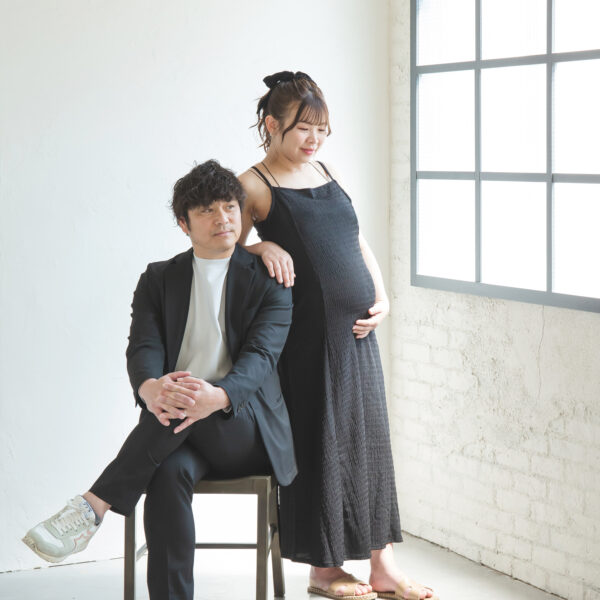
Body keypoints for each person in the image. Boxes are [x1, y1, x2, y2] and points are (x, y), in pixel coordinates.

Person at [22, 159, 296, 600]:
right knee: (166, 474)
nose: (223, 218)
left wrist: (217, 395)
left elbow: (261, 358)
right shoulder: (159, 278)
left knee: (182, 406)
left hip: (244, 427)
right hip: (174, 430)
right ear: (184, 224)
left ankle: (94, 505)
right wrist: (149, 388)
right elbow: (143, 348)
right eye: (207, 210)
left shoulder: (269, 279)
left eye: (229, 207)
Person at [238, 72, 438, 600]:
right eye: (304, 129)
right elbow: (220, 250)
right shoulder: (253, 184)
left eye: (322, 130)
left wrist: (382, 295)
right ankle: (324, 571)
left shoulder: (325, 169)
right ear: (272, 125)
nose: (315, 140)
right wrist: (259, 247)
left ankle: (383, 566)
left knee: (369, 445)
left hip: (358, 337)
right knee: (323, 445)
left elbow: (355, 238)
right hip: (308, 341)